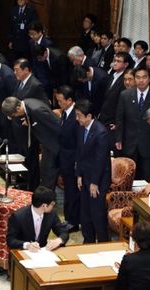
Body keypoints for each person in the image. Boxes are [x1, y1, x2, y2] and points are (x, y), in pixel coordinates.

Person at [115, 67, 150, 181]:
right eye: (137, 77)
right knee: (128, 179)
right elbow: (119, 119)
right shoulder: (125, 95)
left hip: (149, 145)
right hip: (129, 144)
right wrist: (118, 138)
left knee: (148, 179)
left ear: (149, 79)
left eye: (144, 77)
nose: (141, 80)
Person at [2, 96, 60, 190]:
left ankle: (46, 201)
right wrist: (29, 120)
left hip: (53, 145)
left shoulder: (37, 110)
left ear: (17, 108)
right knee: (45, 172)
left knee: (49, 175)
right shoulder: (26, 103)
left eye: (14, 115)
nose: (16, 117)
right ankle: (43, 198)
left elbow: (57, 126)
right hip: (46, 144)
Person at [75, 99, 111, 243]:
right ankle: (88, 240)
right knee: (85, 213)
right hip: (85, 176)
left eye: (79, 116)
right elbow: (80, 154)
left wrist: (95, 183)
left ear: (89, 116)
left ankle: (102, 242)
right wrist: (79, 175)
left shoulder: (101, 132)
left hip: (98, 179)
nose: (77, 119)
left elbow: (100, 160)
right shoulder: (81, 128)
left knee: (97, 214)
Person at [7, 186, 68, 251]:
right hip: (23, 252)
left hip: (42, 252)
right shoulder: (18, 216)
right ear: (44, 206)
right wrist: (27, 245)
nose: (53, 206)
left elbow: (63, 231)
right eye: (52, 204)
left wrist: (59, 240)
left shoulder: (52, 214)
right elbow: (10, 240)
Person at [56, 86, 80, 233]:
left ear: (70, 100)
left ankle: (74, 221)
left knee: (73, 193)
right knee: (68, 192)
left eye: (60, 101)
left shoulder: (76, 116)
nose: (59, 104)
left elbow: (78, 142)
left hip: (72, 161)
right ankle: (68, 219)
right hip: (64, 159)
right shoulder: (65, 113)